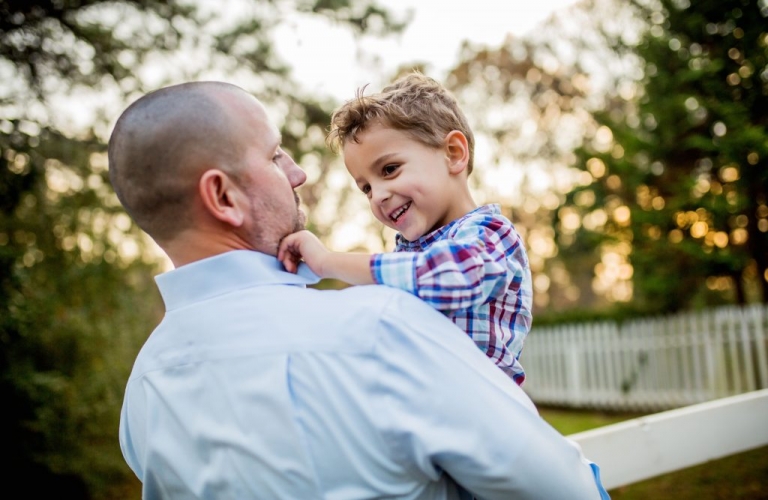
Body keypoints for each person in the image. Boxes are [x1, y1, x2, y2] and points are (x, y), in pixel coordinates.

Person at [110, 80, 609, 499]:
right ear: (223, 196)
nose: (298, 173)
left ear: (454, 154)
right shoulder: (378, 327)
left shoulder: (143, 393)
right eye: (275, 155)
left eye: (388, 170)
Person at [279, 72, 532, 385]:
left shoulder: (490, 234)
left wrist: (328, 262)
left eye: (389, 169)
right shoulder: (406, 256)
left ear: (453, 153)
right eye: (366, 188)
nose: (379, 195)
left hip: (485, 411)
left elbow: (451, 278)